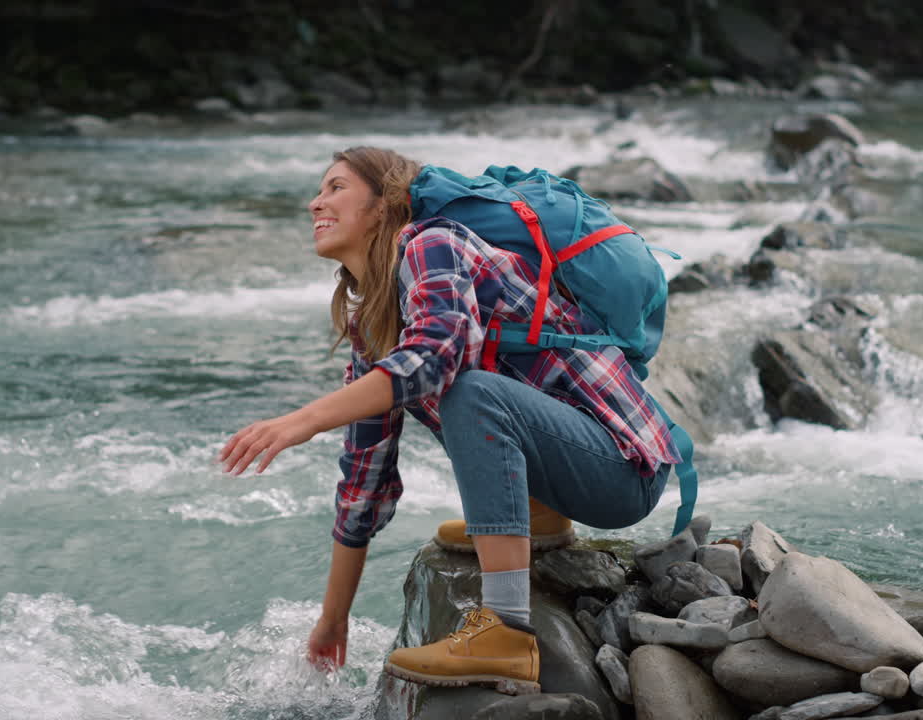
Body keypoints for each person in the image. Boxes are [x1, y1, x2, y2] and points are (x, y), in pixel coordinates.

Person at [218, 146, 679, 695]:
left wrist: (302, 421)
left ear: (383, 201)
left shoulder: (434, 242)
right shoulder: (373, 324)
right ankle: (540, 520)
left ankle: (507, 632)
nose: (317, 202)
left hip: (623, 470)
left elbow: (435, 357)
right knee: (454, 390)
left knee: (468, 390)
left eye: (336, 187)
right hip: (572, 461)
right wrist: (332, 619)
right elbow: (365, 479)